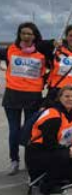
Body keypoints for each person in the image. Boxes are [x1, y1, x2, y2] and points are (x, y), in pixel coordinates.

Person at [2, 22, 55, 175]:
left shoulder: (42, 53)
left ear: (35, 36)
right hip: (12, 95)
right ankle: (14, 160)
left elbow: (54, 68)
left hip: (33, 96)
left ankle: (29, 160)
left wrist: (44, 79)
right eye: (23, 33)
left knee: (31, 131)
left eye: (29, 34)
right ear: (19, 34)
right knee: (14, 130)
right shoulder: (11, 49)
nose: (26, 36)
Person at [25, 86, 72, 195]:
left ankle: (54, 176)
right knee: (63, 155)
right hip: (37, 153)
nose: (70, 99)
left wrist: (70, 147)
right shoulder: (54, 115)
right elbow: (49, 143)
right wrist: (67, 150)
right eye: (67, 96)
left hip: (52, 150)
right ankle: (47, 186)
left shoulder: (69, 112)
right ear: (59, 98)